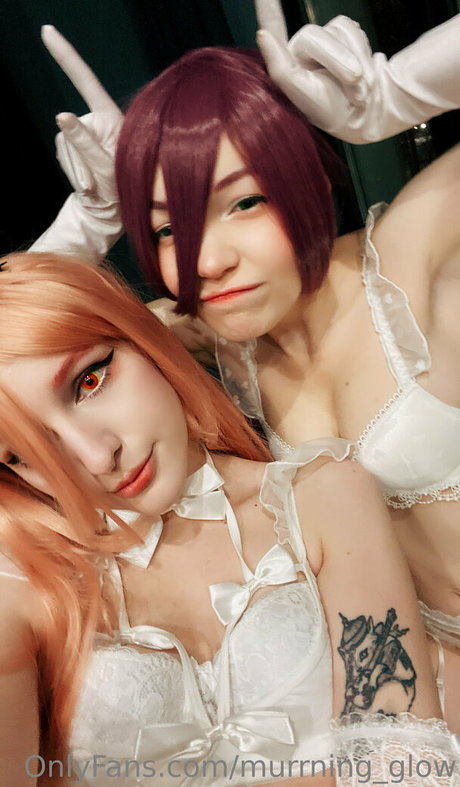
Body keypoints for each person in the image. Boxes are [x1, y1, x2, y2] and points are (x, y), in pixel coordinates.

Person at [32, 5, 460, 730]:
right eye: (168, 227)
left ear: (305, 176)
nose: (205, 260)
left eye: (245, 202)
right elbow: (16, 349)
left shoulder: (415, 256)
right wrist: (91, 220)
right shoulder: (208, 346)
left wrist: (402, 93)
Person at [1, 251, 457, 787]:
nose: (98, 457)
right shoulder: (27, 592)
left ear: (142, 339)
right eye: (21, 453)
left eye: (89, 381)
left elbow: (404, 762)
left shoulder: (323, 498)